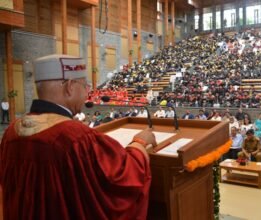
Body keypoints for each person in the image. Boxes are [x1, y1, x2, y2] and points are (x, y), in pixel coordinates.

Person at [0, 54, 157, 219]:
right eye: (85, 86)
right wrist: (140, 143)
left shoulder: (11, 132)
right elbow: (122, 177)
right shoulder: (75, 138)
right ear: (69, 86)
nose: (87, 93)